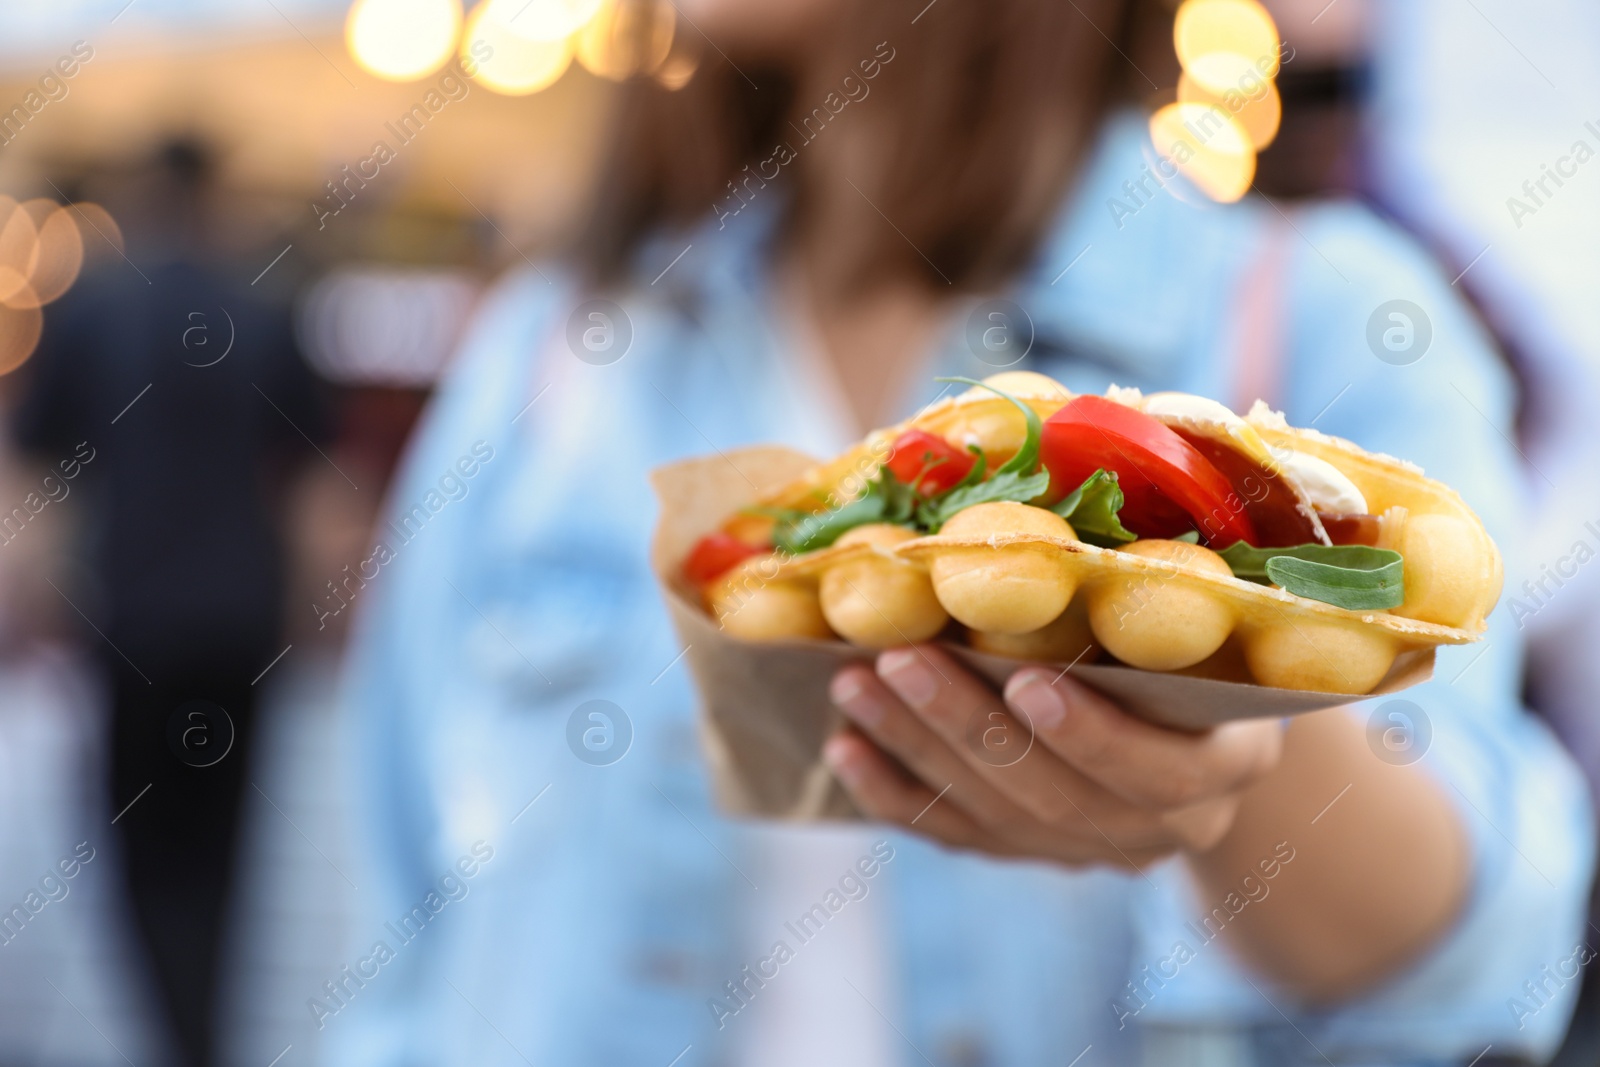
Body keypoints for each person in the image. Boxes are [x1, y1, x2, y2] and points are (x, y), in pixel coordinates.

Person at [328, 1, 1594, 1063]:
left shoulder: (1328, 310)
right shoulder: (551, 350)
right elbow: (397, 932)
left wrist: (1231, 762)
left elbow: (1475, 962)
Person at [10, 138, 325, 1067]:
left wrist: (36, 589)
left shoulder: (93, 306)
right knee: (223, 851)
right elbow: (309, 484)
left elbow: (41, 469)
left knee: (140, 846)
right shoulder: (265, 305)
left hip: (133, 620)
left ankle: (177, 1030)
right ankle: (201, 1029)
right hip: (242, 622)